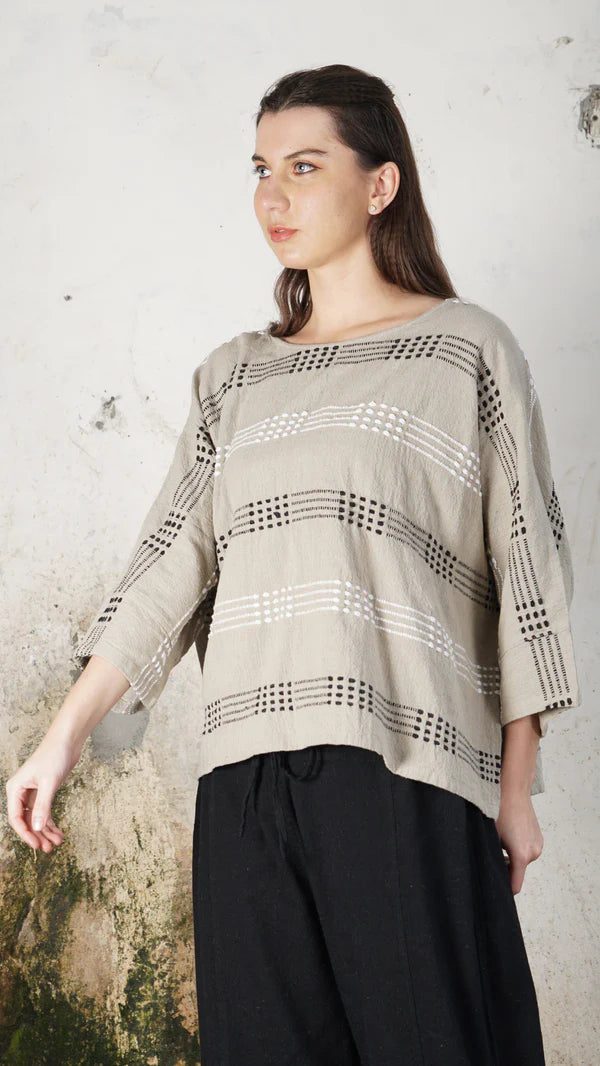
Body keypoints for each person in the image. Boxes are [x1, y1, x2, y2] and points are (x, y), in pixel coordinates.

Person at [6, 63, 581, 1065]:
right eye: (261, 169)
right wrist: (62, 737)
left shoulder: (464, 351)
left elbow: (527, 571)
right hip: (245, 782)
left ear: (380, 183)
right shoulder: (234, 377)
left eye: (305, 166)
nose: (273, 195)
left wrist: (518, 789)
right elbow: (167, 564)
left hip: (401, 765)